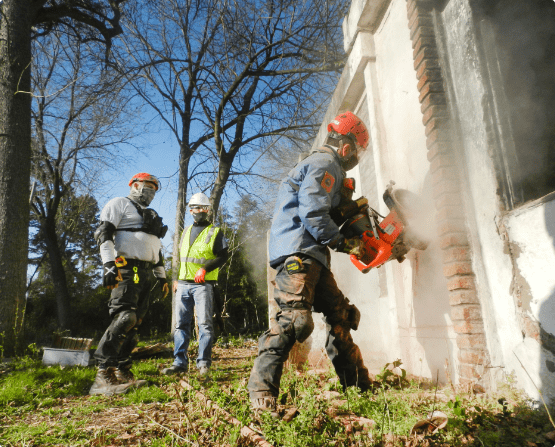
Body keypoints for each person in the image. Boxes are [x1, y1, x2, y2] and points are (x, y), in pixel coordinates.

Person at [247, 111, 374, 415]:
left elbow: (325, 212)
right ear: (346, 145)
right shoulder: (323, 163)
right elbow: (314, 214)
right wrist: (345, 243)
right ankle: (261, 394)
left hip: (312, 255)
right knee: (295, 320)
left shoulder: (325, 168)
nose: (355, 156)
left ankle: (358, 386)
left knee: (340, 314)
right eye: (356, 149)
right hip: (298, 253)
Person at [90, 173, 169, 395]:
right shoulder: (119, 203)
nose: (151, 192)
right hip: (126, 268)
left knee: (136, 323)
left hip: (146, 272)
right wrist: (108, 265)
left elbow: (156, 247)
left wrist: (161, 276)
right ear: (134, 185)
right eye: (147, 187)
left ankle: (122, 370)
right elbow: (104, 233)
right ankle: (102, 374)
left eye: (154, 189)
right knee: (125, 317)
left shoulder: (150, 214)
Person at [162, 192, 228, 377]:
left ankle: (203, 364)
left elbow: (223, 256)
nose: (195, 211)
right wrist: (175, 277)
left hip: (203, 285)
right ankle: (179, 363)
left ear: (206, 210)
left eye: (199, 208)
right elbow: (181, 258)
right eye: (192, 208)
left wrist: (205, 269)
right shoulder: (186, 231)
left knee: (205, 325)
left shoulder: (215, 232)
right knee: (181, 325)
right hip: (182, 284)